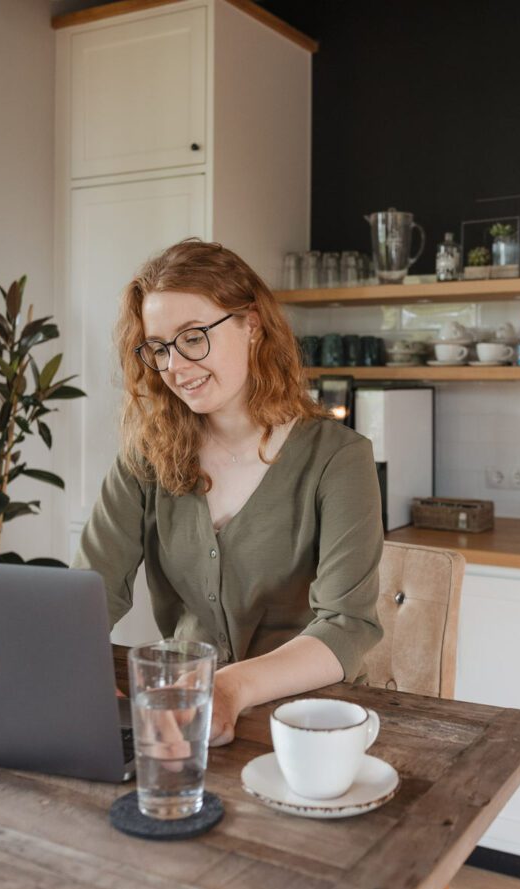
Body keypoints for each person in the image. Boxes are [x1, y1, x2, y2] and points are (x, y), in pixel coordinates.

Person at [73, 239, 383, 747]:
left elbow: (346, 627)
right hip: (185, 717)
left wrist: (228, 688)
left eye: (193, 337)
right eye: (158, 347)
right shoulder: (145, 457)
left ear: (252, 324)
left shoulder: (339, 457)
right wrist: (79, 672)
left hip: (311, 726)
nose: (174, 365)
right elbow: (87, 595)